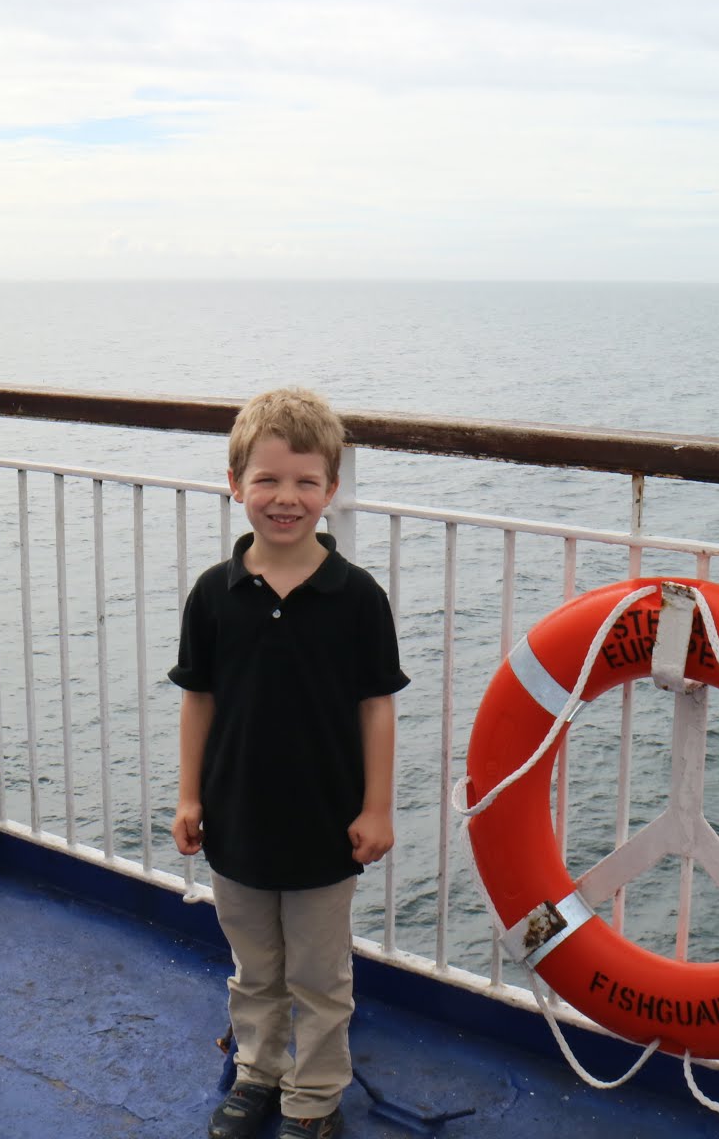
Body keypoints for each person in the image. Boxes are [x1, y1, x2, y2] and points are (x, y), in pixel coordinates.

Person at [169, 387, 409, 1139]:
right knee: (255, 968)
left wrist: (376, 808)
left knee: (319, 974)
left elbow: (376, 705)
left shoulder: (357, 597)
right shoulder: (213, 595)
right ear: (235, 483)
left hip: (324, 826)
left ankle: (314, 1097)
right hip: (235, 819)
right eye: (267, 479)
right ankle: (258, 1073)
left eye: (306, 482)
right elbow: (199, 699)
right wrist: (188, 796)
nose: (285, 498)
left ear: (330, 490)